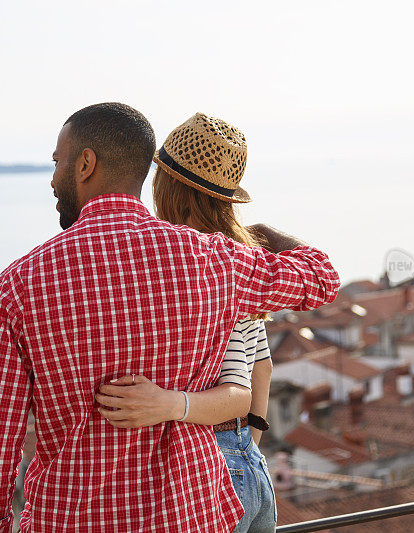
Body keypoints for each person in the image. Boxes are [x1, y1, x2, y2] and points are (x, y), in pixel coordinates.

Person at [0, 103, 340, 533]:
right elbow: (321, 278)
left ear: (85, 164)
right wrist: (264, 234)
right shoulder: (213, 260)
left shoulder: (22, 283)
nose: (52, 178)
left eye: (57, 161)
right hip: (190, 516)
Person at [95, 113, 283, 532]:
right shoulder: (242, 263)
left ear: (165, 184)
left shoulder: (201, 271)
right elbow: (263, 368)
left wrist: (167, 404)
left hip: (212, 472)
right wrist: (246, 449)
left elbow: (237, 392)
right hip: (250, 467)